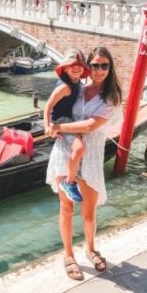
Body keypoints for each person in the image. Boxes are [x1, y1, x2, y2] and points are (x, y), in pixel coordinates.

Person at [45, 45, 123, 281]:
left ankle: (90, 248)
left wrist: (56, 127)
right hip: (65, 151)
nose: (99, 70)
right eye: (96, 65)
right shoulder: (77, 87)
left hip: (90, 156)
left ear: (110, 69)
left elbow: (90, 126)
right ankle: (68, 255)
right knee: (66, 208)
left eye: (104, 65)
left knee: (89, 212)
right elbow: (56, 105)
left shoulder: (111, 97)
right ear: (90, 66)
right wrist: (50, 122)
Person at [44, 50, 89, 203]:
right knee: (79, 148)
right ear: (65, 68)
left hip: (70, 119)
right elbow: (48, 105)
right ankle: (69, 183)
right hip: (62, 121)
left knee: (82, 145)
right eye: (72, 65)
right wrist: (48, 125)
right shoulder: (65, 87)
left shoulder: (77, 83)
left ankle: (75, 171)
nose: (76, 68)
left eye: (79, 65)